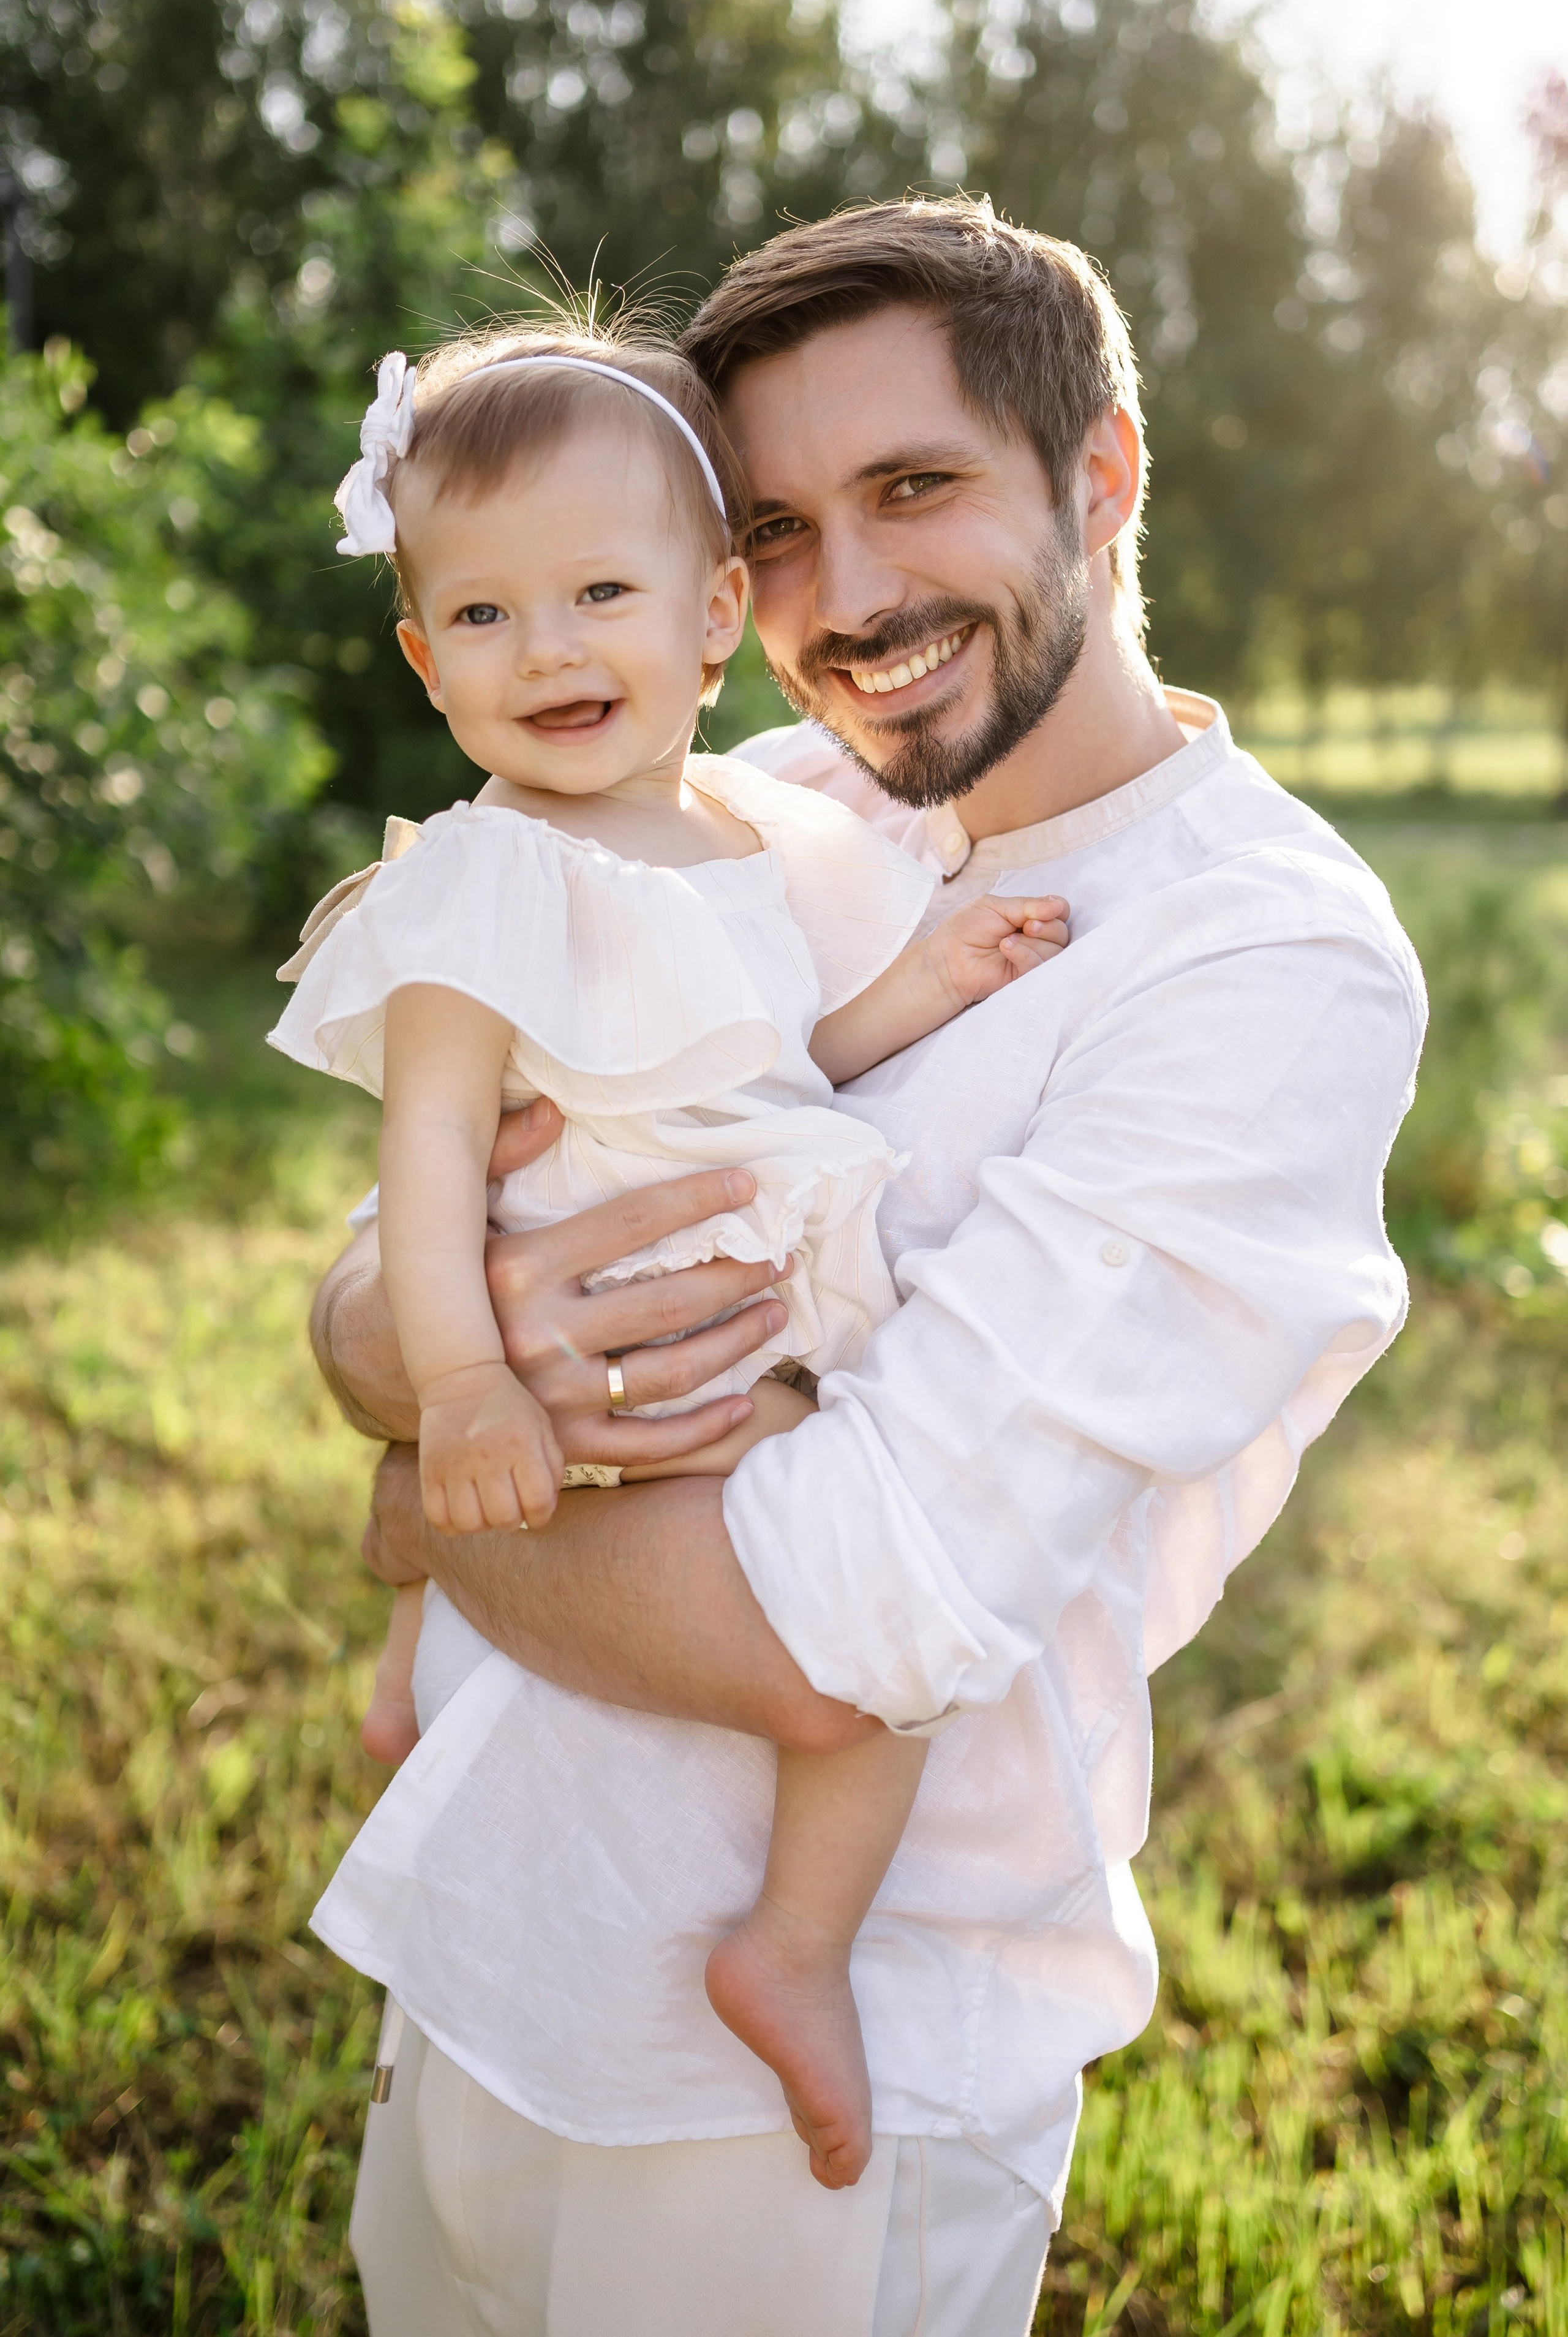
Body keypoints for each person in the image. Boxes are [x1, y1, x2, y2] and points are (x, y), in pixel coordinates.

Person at [309, 198, 1426, 2337]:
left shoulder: (1257, 956)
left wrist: (430, 1520)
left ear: (1100, 476)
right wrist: (405, 1352)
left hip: (812, 2099)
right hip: (492, 1930)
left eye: (915, 490)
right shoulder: (761, 796)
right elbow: (404, 1238)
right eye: (788, 527)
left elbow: (849, 1622)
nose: (852, 598)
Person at [271, 324, 1071, 2190]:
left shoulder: (750, 824)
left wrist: (927, 980)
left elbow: (781, 1048)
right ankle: (778, 1939)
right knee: (866, 1649)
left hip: (724, 1272)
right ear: (421, 656)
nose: (548, 652)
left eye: (601, 594)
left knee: (865, 1621)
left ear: (718, 612)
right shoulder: (480, 874)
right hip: (577, 1284)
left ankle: (781, 1929)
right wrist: (459, 1377)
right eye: (481, 616)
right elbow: (432, 1154)